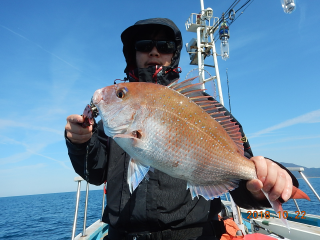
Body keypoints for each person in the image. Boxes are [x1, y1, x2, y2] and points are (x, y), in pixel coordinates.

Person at [65, 18, 298, 240]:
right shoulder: (112, 123)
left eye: (164, 46)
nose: (154, 52)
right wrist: (80, 143)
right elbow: (94, 173)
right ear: (132, 54)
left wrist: (262, 182)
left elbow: (242, 173)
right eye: (144, 45)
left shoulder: (206, 107)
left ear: (173, 55)